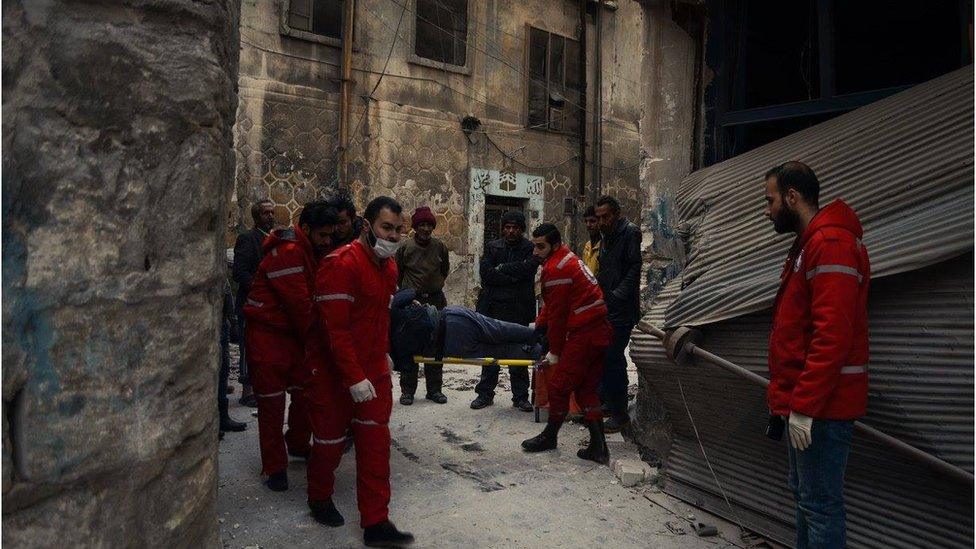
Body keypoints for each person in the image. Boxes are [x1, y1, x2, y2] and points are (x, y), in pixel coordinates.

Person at [763, 161, 870, 549]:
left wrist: (805, 406)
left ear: (792, 197)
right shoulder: (809, 245)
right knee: (807, 500)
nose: (767, 210)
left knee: (820, 506)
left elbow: (832, 336)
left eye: (770, 200)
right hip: (808, 403)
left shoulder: (830, 244)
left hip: (824, 407)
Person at [304, 196, 414, 547]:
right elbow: (335, 331)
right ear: (367, 226)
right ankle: (319, 496)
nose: (394, 236)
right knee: (329, 442)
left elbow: (378, 318)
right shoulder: (341, 264)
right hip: (335, 372)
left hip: (373, 369)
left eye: (399, 230)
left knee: (376, 444)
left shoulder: (389, 267)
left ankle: (376, 522)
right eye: (387, 228)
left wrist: (383, 355)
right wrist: (353, 377)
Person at [243, 201, 339, 492]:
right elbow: (303, 308)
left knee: (304, 395)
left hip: (293, 338)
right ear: (306, 229)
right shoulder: (288, 254)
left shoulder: (307, 250)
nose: (327, 241)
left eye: (330, 235)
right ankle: (274, 466)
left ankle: (297, 444)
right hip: (268, 338)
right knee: (271, 404)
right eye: (323, 235)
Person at [520, 223, 611, 464]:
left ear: (555, 245)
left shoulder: (556, 269)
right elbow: (553, 306)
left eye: (541, 247)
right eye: (534, 246)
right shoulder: (567, 258)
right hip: (599, 332)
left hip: (583, 335)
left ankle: (550, 437)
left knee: (559, 387)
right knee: (586, 390)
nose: (535, 252)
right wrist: (540, 324)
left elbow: (558, 317)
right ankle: (599, 447)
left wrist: (554, 352)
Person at [388, 289, 543, 390]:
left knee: (502, 351)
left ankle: (541, 351)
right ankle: (547, 339)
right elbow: (409, 293)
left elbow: (405, 366)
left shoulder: (388, 349)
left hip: (449, 346)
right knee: (504, 331)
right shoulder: (391, 310)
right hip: (452, 321)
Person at [471, 211, 537, 412]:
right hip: (493, 308)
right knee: (490, 352)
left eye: (515, 227)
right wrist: (512, 275)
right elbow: (486, 274)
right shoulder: (493, 247)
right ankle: (485, 394)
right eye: (507, 227)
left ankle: (520, 397)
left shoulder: (529, 248)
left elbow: (528, 271)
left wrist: (502, 270)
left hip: (518, 309)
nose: (511, 231)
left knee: (519, 353)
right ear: (503, 229)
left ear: (522, 229)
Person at [593, 195, 642, 433]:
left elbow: (634, 267)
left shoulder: (629, 232)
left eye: (606, 217)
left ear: (617, 214)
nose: (601, 221)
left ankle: (620, 413)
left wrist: (618, 294)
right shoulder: (606, 235)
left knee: (614, 358)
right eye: (599, 217)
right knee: (604, 356)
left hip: (622, 308)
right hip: (607, 305)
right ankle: (609, 404)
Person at [395, 206, 451, 405]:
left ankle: (434, 390)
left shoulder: (440, 247)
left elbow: (444, 270)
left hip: (436, 301)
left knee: (436, 345)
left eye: (429, 225)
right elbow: (398, 275)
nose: (426, 229)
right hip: (413, 304)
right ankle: (408, 391)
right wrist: (409, 295)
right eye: (422, 225)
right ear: (415, 227)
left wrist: (433, 287)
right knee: (410, 346)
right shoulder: (405, 248)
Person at [233, 198, 276, 407]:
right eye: (266, 213)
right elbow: (240, 271)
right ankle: (247, 390)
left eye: (272, 212)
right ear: (256, 216)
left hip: (267, 306)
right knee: (247, 347)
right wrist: (258, 291)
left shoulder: (272, 239)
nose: (271, 216)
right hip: (250, 303)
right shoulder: (247, 239)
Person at [219, 269, 247, 436]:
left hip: (222, 319)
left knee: (223, 370)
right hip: (218, 319)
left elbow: (226, 290)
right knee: (220, 370)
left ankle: (221, 416)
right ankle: (219, 417)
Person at [581, 205, 602, 275]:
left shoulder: (604, 246)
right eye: (586, 221)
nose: (588, 225)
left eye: (592, 221)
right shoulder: (587, 246)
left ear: (600, 222)